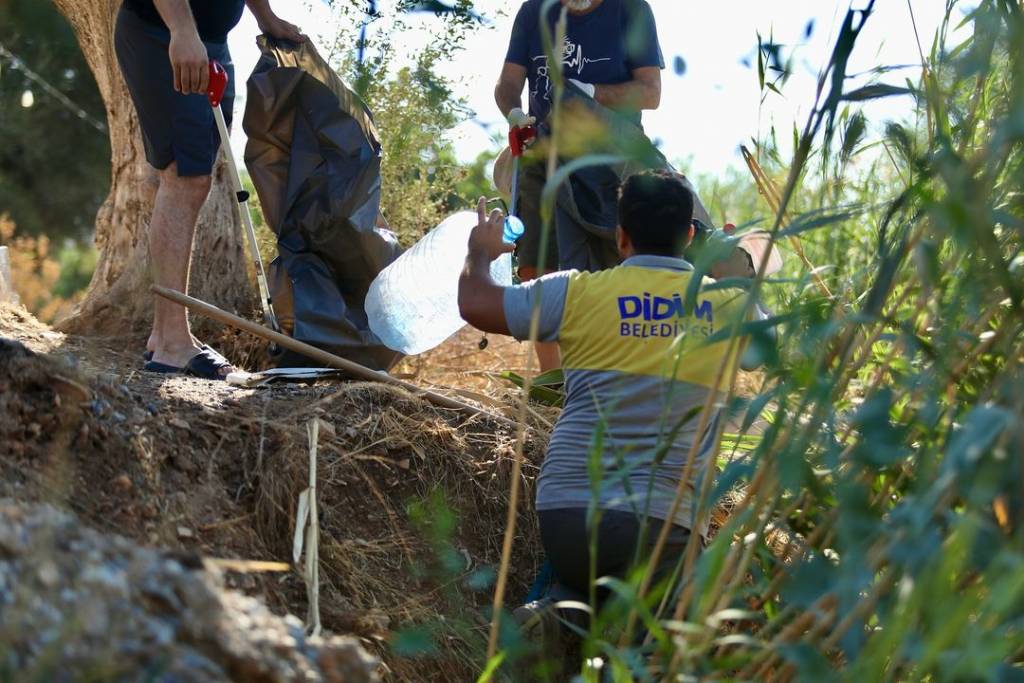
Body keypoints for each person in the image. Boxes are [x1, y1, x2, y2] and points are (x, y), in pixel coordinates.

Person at [459, 170, 765, 640]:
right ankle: (590, 627)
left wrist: (481, 250)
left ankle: (559, 614)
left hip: (566, 511)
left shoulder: (576, 291)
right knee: (656, 638)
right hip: (662, 523)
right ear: (688, 237)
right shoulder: (725, 307)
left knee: (594, 589)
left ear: (620, 237)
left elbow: (476, 302)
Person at [115, 0, 303, 379]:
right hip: (166, 32)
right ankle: (172, 345)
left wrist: (266, 18)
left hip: (208, 41)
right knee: (185, 177)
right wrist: (182, 29)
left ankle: (164, 334)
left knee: (194, 176)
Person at [494, 0, 665, 372]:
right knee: (537, 265)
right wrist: (514, 114)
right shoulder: (533, 11)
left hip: (611, 154)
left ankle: (612, 372)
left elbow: (651, 93)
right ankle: (554, 381)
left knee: (612, 262)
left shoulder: (632, 11)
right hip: (542, 149)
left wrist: (587, 90)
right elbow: (508, 84)